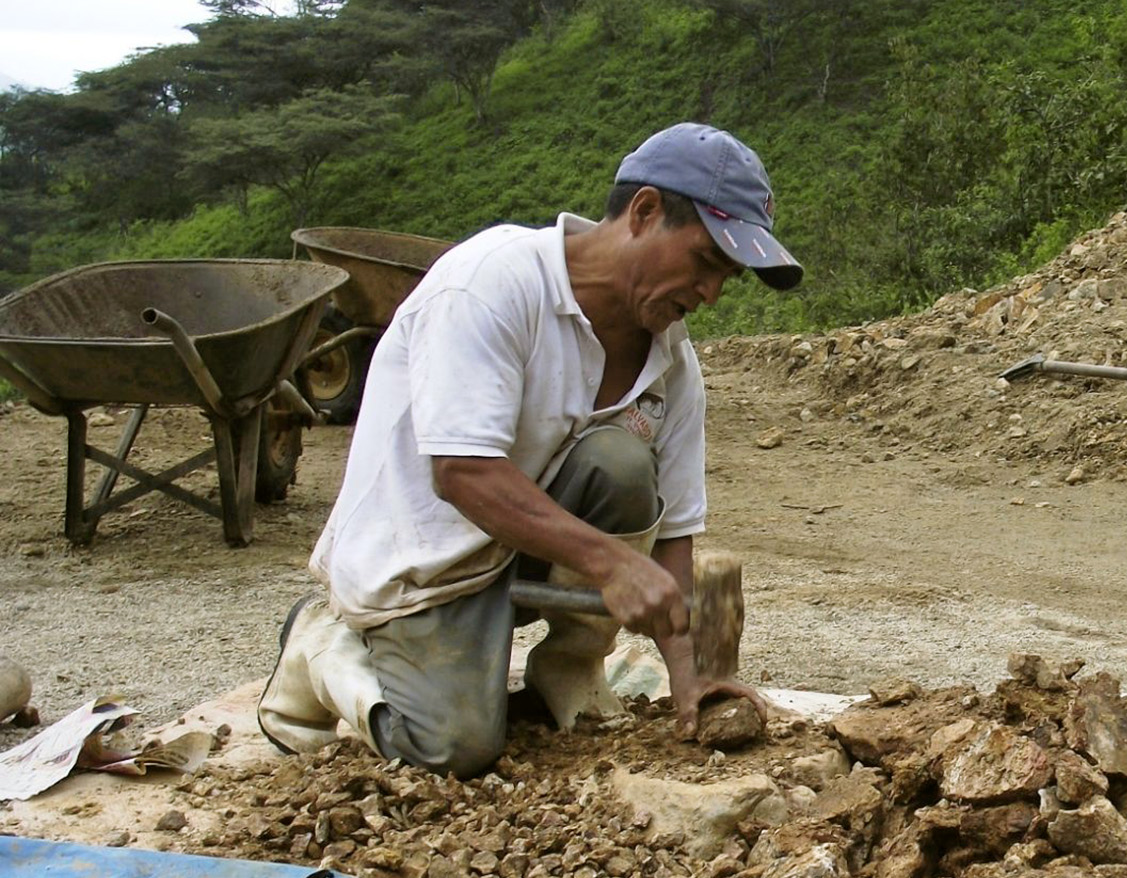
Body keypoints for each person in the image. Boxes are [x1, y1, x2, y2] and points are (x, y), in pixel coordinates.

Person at [257, 123, 802, 777]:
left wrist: (689, 677)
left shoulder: (672, 363)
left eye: (728, 278)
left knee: (624, 463)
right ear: (645, 211)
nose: (711, 293)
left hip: (525, 551)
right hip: (423, 560)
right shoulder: (492, 284)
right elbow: (461, 474)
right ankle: (320, 645)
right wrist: (611, 564)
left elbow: (676, 529)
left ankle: (568, 669)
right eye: (706, 262)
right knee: (454, 748)